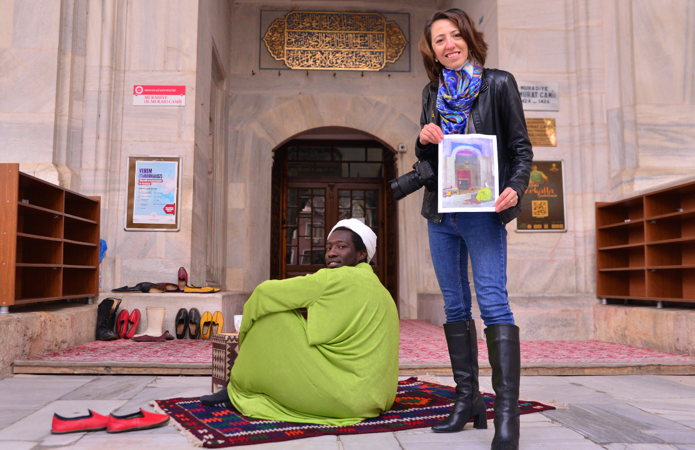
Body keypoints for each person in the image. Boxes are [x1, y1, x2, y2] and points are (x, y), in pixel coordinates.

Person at [414, 8, 533, 450]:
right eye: (439, 40)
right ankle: (467, 401)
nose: (449, 45)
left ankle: (507, 418)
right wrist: (423, 138)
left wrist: (515, 189)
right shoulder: (431, 92)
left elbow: (521, 149)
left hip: (483, 212)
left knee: (493, 303)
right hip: (441, 215)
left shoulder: (498, 84)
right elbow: (426, 163)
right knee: (455, 307)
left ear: (468, 37)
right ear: (434, 49)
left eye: (454, 35)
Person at [201, 219, 399, 426]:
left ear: (361, 255)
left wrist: (246, 341)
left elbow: (263, 293)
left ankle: (237, 389)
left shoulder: (333, 279)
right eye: (329, 247)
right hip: (377, 399)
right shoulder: (382, 292)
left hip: (341, 397)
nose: (331, 252)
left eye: (341, 247)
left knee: (270, 314)